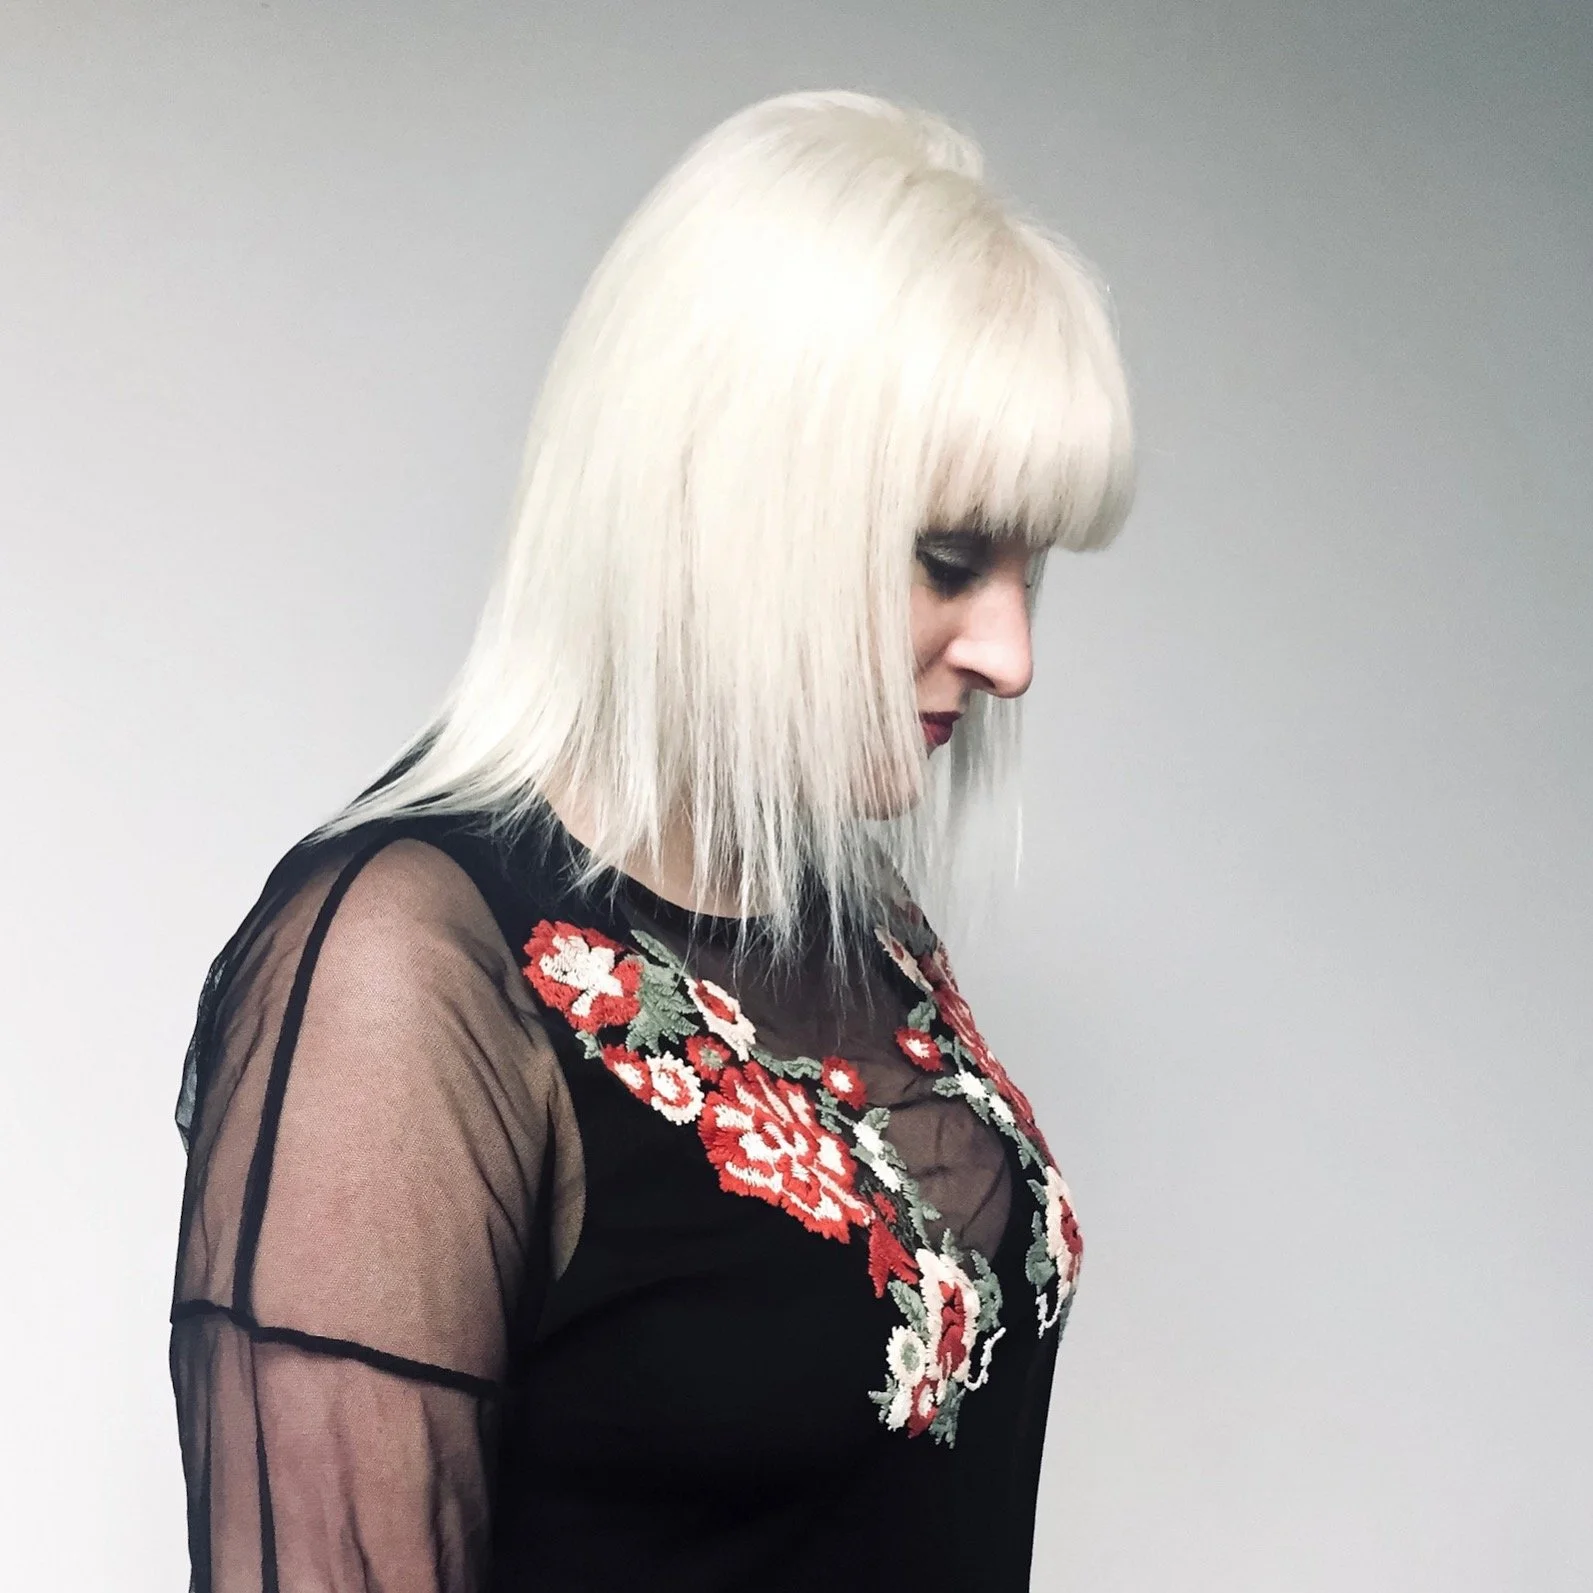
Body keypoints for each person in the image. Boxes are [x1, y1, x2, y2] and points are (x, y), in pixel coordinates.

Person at [169, 89, 1134, 1592]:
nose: (1009, 651)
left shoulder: (853, 931)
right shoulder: (406, 971)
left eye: (1032, 572)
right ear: (730, 503)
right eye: (949, 559)